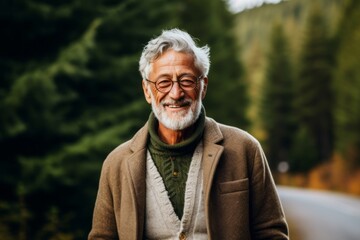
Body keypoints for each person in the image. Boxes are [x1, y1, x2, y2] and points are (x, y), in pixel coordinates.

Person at [88, 28, 289, 240]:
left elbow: (272, 234)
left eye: (186, 80)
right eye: (164, 82)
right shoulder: (116, 163)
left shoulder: (245, 149)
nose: (176, 94)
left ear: (203, 87)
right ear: (147, 91)